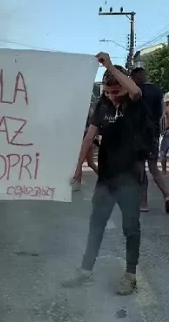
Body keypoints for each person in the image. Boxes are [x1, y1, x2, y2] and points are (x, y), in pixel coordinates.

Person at [65, 53, 150, 295]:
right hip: (107, 178)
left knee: (130, 228)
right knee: (96, 225)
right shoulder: (102, 105)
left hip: (131, 178)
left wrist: (110, 64)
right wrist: (78, 168)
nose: (112, 97)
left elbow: (134, 90)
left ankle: (130, 275)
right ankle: (85, 271)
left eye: (116, 92)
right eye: (108, 92)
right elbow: (89, 137)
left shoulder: (134, 103)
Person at [130, 67, 169, 212]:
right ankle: (167, 195)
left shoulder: (136, 91)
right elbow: (161, 113)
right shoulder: (158, 91)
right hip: (153, 134)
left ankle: (143, 203)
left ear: (136, 78)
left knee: (140, 170)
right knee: (154, 168)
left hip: (138, 135)